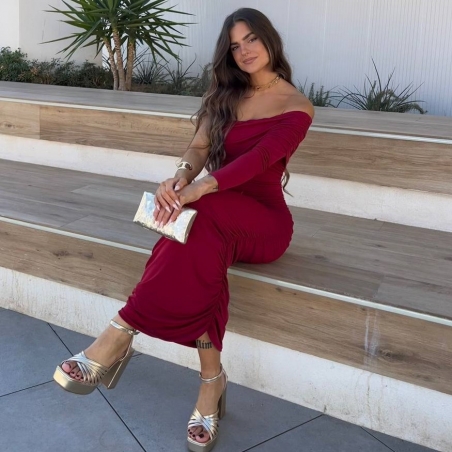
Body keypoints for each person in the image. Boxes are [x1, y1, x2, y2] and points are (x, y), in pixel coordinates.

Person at [53, 7, 314, 452]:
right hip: (213, 214)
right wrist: (179, 178)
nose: (245, 51)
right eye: (235, 45)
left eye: (252, 39)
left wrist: (199, 189)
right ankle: (211, 381)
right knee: (200, 250)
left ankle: (118, 333)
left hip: (264, 223)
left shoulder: (296, 105)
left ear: (270, 39)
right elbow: (199, 147)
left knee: (196, 225)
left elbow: (259, 161)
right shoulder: (225, 94)